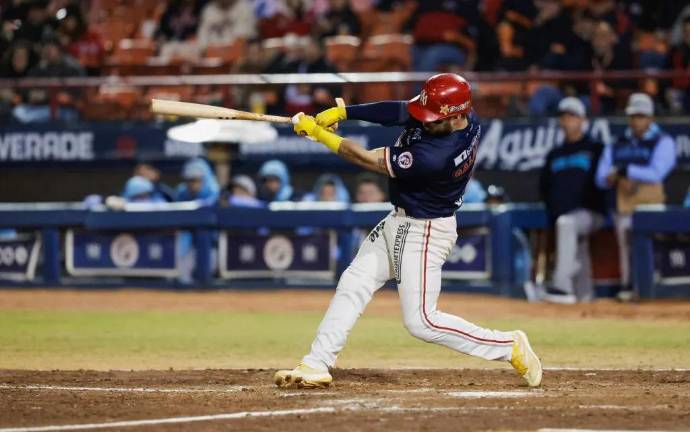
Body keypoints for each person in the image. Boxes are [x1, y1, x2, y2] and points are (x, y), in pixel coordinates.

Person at [274, 73, 542, 389]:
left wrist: (321, 136)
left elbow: (368, 159)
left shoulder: (437, 156)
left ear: (455, 116)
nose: (424, 120)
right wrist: (344, 112)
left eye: (431, 118)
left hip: (424, 231)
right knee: (354, 283)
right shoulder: (456, 116)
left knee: (422, 322)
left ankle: (508, 345)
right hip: (399, 220)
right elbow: (399, 111)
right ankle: (316, 363)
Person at [596, 93, 676, 301]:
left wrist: (626, 171)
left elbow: (657, 173)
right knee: (625, 244)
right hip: (624, 203)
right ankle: (628, 285)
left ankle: (653, 286)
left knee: (651, 245)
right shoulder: (617, 143)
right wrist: (615, 176)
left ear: (650, 118)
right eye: (633, 116)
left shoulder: (663, 141)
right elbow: (600, 178)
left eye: (641, 116)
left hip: (652, 205)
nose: (636, 121)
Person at [539, 97, 605, 304]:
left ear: (582, 119)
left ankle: (562, 286)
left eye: (572, 116)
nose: (567, 121)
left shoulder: (595, 148)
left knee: (567, 224)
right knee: (577, 247)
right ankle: (585, 298)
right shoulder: (554, 154)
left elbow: (603, 182)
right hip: (563, 214)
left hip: (590, 213)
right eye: (563, 117)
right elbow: (545, 188)